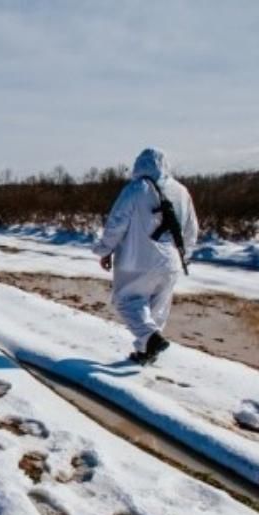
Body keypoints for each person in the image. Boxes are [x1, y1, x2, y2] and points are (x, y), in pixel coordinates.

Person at [92, 147, 198, 364]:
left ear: (139, 165)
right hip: (170, 264)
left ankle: (150, 340)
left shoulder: (135, 189)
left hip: (136, 260)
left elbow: (116, 224)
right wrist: (183, 254)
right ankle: (146, 351)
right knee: (156, 310)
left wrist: (104, 249)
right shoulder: (181, 191)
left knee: (128, 301)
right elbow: (191, 229)